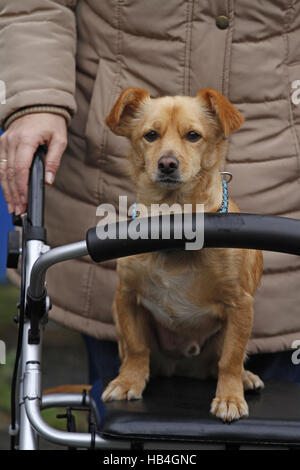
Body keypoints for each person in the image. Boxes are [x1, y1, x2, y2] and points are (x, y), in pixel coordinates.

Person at [1, 0, 300, 385]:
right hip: (102, 176)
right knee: (123, 422)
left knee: (271, 424)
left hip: (282, 172)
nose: (169, 158)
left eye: (190, 137)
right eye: (155, 138)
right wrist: (35, 99)